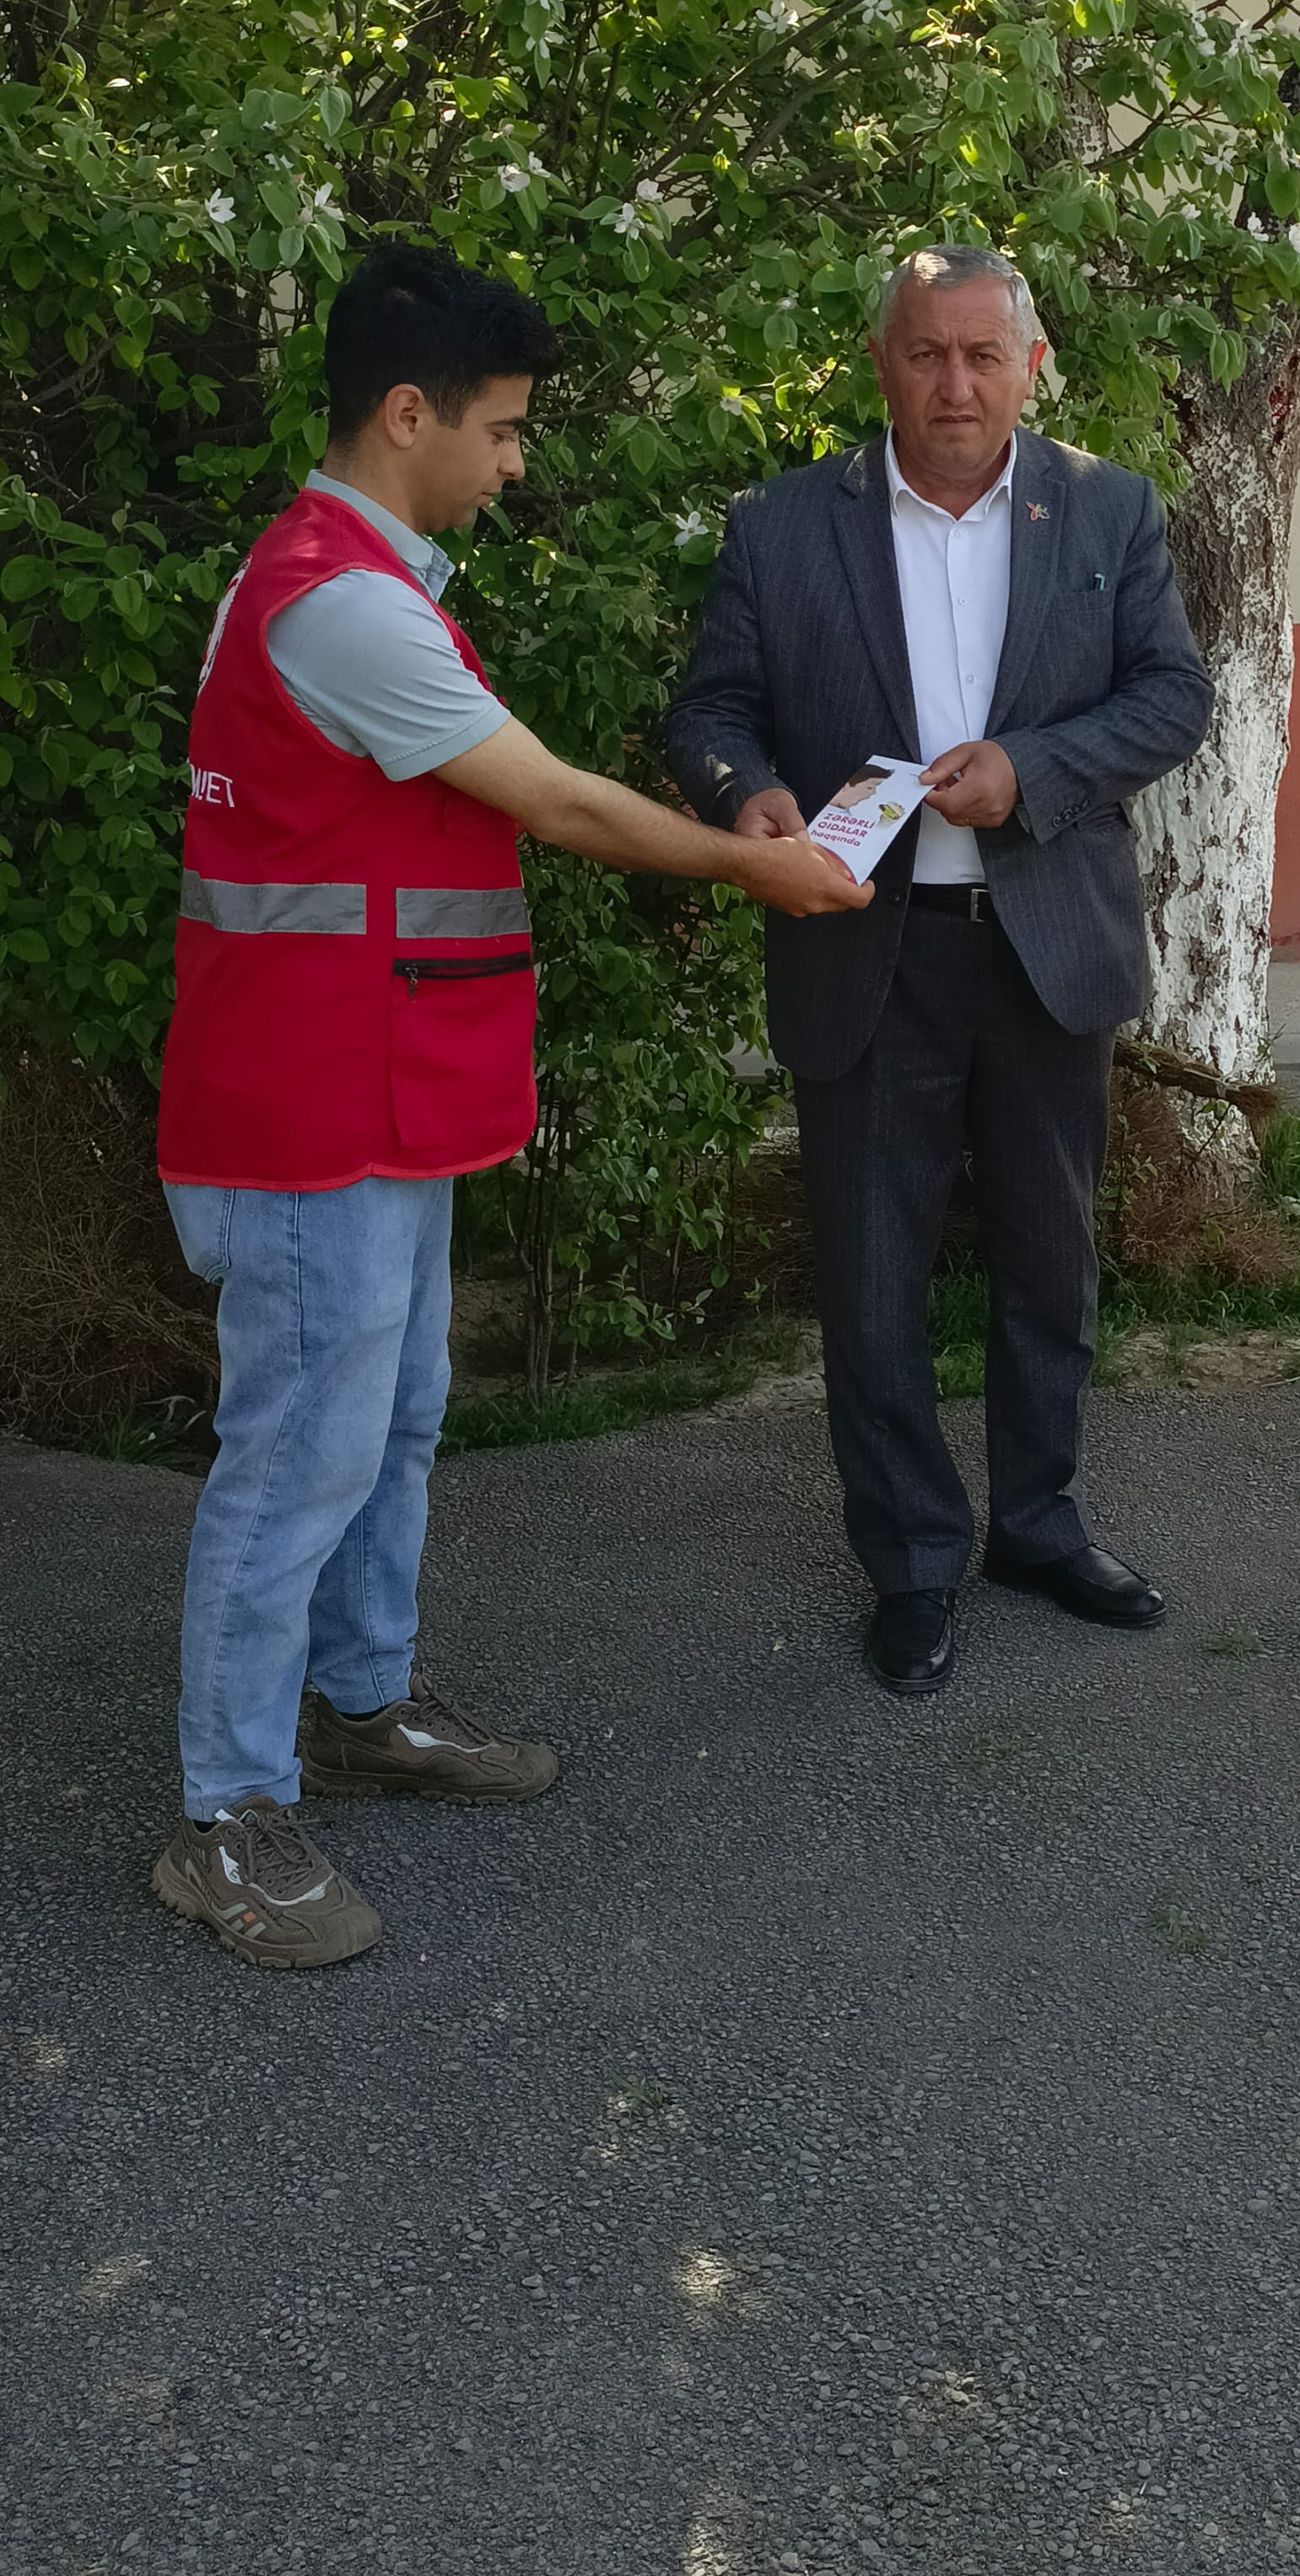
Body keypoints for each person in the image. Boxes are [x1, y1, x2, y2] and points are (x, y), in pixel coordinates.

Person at [153, 245, 871, 1973]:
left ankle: (361, 1705)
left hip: (376, 1095)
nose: (516, 461)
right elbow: (555, 803)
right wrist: (757, 865)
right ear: (408, 415)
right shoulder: (339, 603)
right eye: (504, 429)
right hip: (311, 1112)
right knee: (297, 1458)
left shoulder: (356, 581)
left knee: (390, 1424)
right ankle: (227, 1817)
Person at [666, 245, 1213, 1697]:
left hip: (1044, 947)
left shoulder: (1105, 508)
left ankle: (1038, 1524)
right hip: (865, 943)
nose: (955, 384)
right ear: (881, 363)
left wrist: (1033, 768)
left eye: (982, 355)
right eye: (926, 353)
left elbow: (1174, 697)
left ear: (1031, 366)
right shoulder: (784, 524)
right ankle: (911, 1559)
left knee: (1050, 1261)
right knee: (871, 1274)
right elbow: (712, 709)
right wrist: (745, 796)